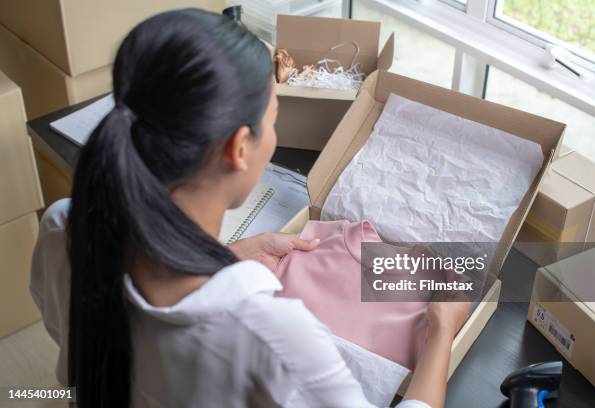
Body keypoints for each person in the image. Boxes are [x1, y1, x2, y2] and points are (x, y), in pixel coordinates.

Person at [30, 9, 469, 408]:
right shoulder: (270, 334)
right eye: (273, 117)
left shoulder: (64, 225)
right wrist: (442, 328)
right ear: (240, 147)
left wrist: (231, 253)